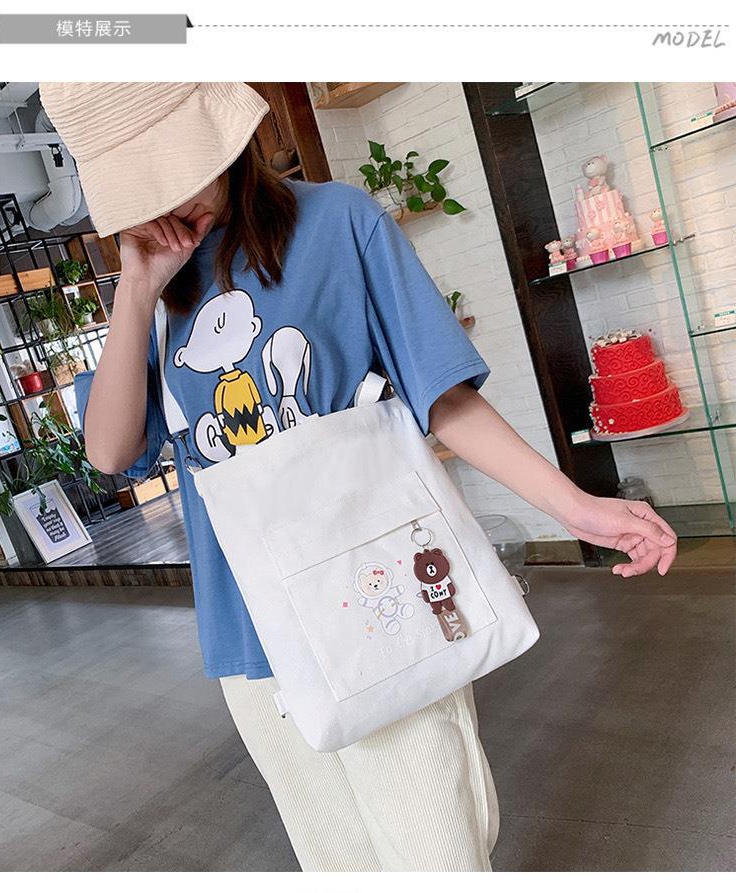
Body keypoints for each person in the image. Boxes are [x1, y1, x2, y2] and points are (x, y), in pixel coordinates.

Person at [41, 82, 678, 872]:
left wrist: (573, 504)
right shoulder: (151, 295)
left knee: (437, 855)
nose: (170, 197)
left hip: (379, 592)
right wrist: (137, 287)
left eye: (178, 165)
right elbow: (110, 453)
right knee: (336, 862)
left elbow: (441, 394)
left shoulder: (339, 222)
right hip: (250, 631)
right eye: (144, 184)